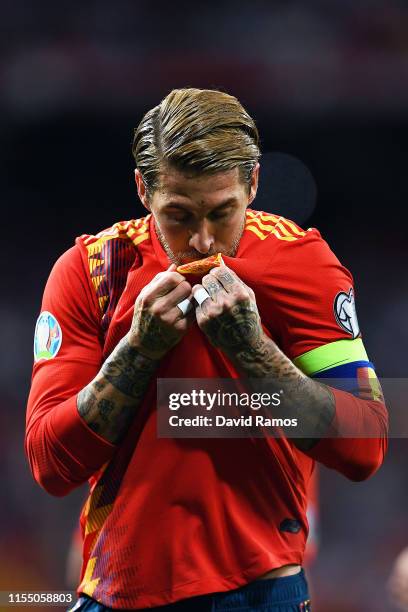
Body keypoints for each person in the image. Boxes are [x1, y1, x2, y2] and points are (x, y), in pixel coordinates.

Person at [26, 88, 388, 611]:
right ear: (142, 191)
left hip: (262, 591)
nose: (202, 242)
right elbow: (49, 465)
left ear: (254, 185)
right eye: (179, 215)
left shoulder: (301, 264)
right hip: (114, 594)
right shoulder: (92, 272)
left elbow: (366, 443)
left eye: (223, 213)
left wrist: (254, 352)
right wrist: (137, 351)